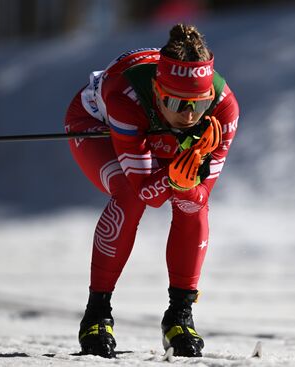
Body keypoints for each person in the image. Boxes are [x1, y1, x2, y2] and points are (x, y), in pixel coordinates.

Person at [64, 23, 239, 358]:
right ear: (159, 91)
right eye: (177, 102)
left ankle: (179, 315)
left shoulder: (224, 108)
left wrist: (188, 173)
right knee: (129, 196)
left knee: (192, 203)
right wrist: (175, 174)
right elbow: (149, 193)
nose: (189, 115)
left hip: (154, 125)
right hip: (96, 121)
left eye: (198, 105)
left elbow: (200, 195)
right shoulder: (125, 97)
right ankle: (97, 314)